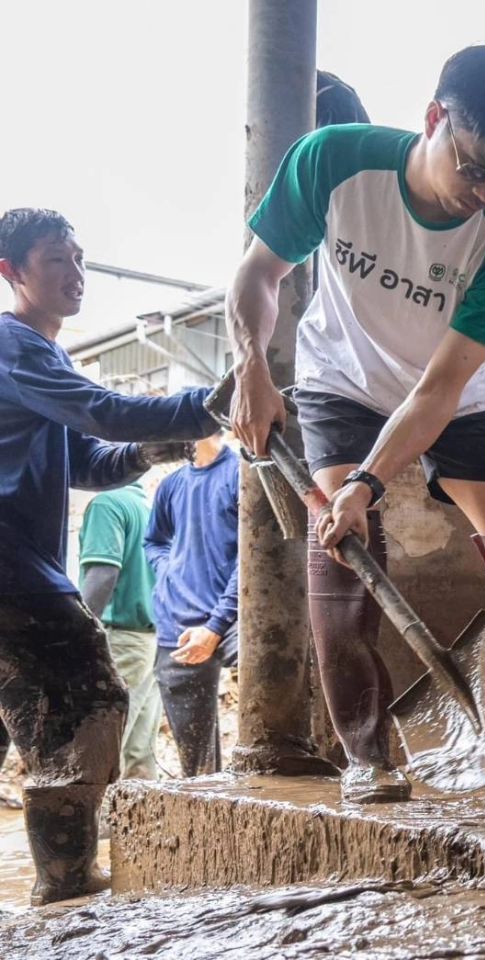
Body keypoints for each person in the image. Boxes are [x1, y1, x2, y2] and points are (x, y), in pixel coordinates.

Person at [227, 45, 485, 803]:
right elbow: (260, 273)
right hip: (341, 381)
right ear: (433, 119)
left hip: (446, 392)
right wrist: (253, 367)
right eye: (476, 170)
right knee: (344, 538)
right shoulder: (333, 161)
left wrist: (370, 477)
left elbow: (444, 384)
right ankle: (368, 756)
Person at [0, 207, 213, 904]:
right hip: (10, 564)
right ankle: (64, 885)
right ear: (12, 271)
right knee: (83, 698)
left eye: (81, 259)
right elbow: (102, 411)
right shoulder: (13, 343)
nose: (76, 274)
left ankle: (53, 882)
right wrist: (206, 404)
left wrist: (153, 447)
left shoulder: (38, 359)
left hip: (14, 559)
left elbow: (89, 458)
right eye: (57, 259)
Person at [144, 432, 241, 777]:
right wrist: (168, 570)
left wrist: (216, 626)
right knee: (195, 764)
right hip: (177, 623)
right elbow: (153, 540)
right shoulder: (172, 485)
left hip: (235, 619)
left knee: (270, 717)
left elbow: (252, 559)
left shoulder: (240, 475)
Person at [79, 481, 163, 780]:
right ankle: (139, 826)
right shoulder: (148, 508)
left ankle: (90, 828)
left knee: (102, 747)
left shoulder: (108, 504)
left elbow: (103, 573)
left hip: (118, 641)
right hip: (150, 641)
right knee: (138, 752)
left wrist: (80, 637)